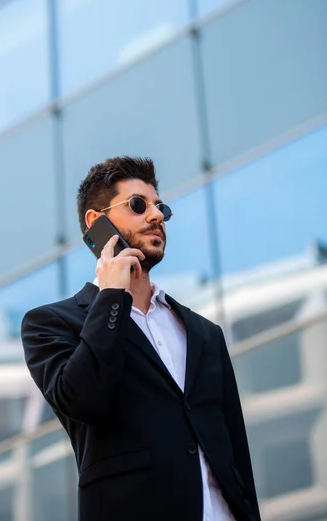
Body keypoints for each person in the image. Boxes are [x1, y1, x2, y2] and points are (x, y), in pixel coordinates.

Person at [21, 156, 261, 521]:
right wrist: (112, 296)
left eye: (160, 206)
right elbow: (84, 398)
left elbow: (235, 454)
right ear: (96, 222)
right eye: (138, 205)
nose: (157, 216)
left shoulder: (204, 333)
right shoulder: (51, 323)